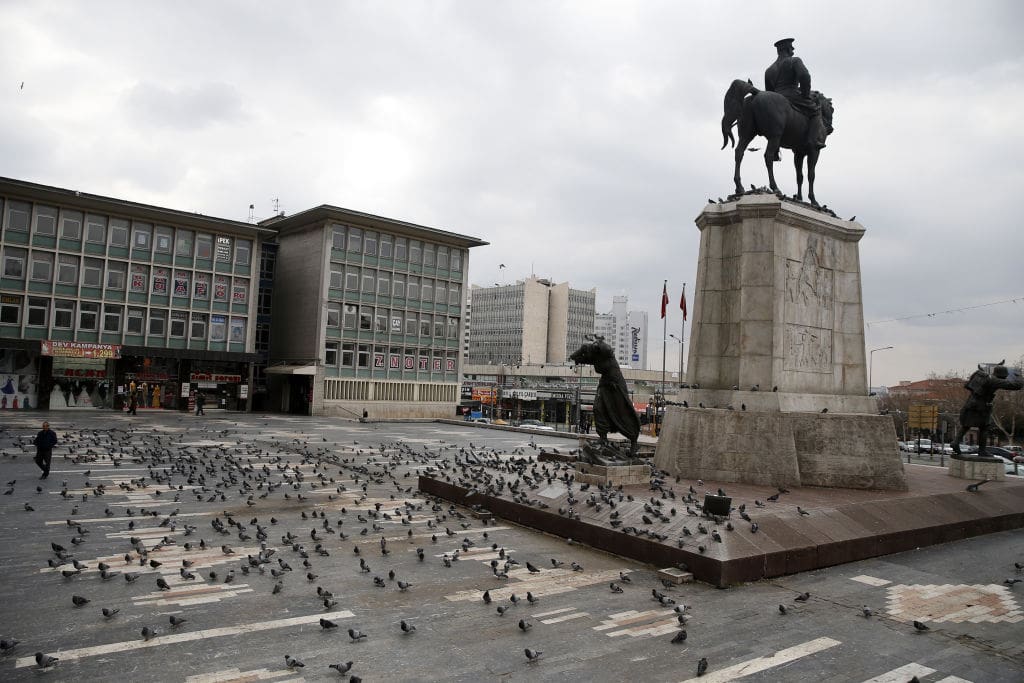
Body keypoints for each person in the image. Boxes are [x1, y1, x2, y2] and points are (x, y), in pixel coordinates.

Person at [765, 38, 826, 149]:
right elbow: (804, 77)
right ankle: (813, 140)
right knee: (816, 108)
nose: (792, 50)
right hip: (792, 94)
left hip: (776, 98)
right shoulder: (794, 61)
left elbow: (768, 93)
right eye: (791, 48)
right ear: (788, 49)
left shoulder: (769, 70)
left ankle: (775, 148)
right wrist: (806, 94)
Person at [952, 363, 1023, 457]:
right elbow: (1015, 385)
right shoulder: (994, 381)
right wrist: (1019, 376)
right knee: (984, 427)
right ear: (1002, 375)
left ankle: (956, 442)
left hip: (971, 404)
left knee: (966, 425)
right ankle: (982, 451)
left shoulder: (986, 377)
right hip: (980, 407)